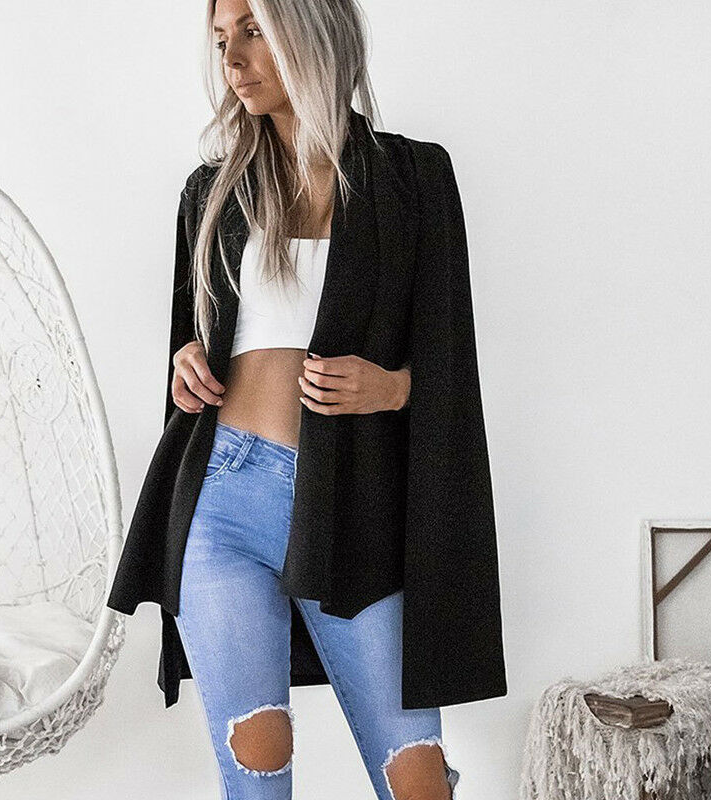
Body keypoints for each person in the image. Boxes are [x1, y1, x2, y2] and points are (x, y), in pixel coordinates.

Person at [107, 0, 509, 797]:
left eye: (253, 30)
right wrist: (186, 365)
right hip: (220, 496)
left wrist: (394, 386)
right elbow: (192, 348)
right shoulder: (211, 191)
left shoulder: (412, 178)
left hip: (350, 501)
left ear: (311, 30)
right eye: (222, 39)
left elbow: (450, 357)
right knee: (256, 765)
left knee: (416, 778)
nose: (233, 59)